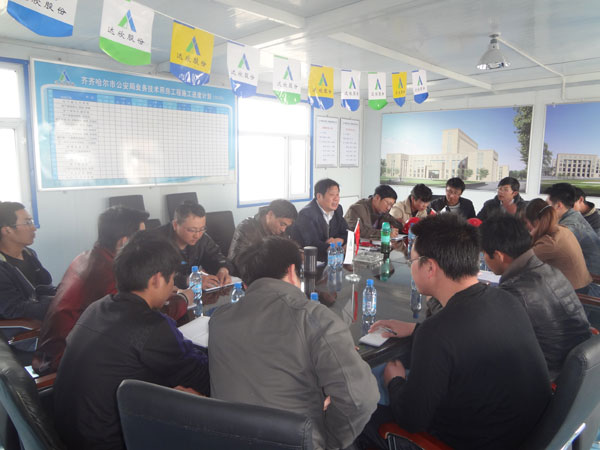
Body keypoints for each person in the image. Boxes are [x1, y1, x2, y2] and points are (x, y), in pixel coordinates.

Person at [367, 214, 551, 450]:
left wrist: (395, 381)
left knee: (362, 412)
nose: (411, 268)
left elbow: (411, 419)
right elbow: (468, 339)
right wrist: (415, 329)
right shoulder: (506, 299)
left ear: (430, 267)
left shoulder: (437, 332)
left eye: (412, 261)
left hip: (468, 442)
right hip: (526, 434)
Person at [209, 236, 379, 450]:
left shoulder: (218, 320)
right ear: (292, 271)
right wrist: (330, 440)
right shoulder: (313, 317)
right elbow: (360, 399)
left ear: (246, 282)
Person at [53, 231, 210, 450]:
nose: (172, 286)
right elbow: (203, 378)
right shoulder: (151, 326)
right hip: (110, 441)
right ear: (156, 279)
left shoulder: (98, 307)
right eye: (172, 278)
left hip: (67, 434)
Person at [32, 206, 193, 376]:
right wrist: (182, 299)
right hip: (67, 363)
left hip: (61, 353)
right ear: (124, 242)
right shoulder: (110, 275)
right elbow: (143, 322)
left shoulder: (89, 257)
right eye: (141, 238)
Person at [480, 214, 591, 379]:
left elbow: (491, 342)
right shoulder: (550, 270)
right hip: (578, 370)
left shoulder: (514, 292)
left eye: (484, 253)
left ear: (498, 256)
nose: (484, 259)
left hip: (549, 378)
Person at [155, 202, 231, 289]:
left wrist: (223, 269)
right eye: (191, 230)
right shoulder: (157, 241)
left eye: (202, 229)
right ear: (175, 225)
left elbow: (217, 256)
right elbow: (156, 275)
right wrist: (189, 281)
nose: (197, 235)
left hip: (192, 292)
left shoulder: (202, 239)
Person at [524, 198, 594, 293]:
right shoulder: (562, 229)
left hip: (574, 293)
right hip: (581, 284)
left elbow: (522, 262)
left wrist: (531, 233)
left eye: (526, 223)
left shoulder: (550, 242)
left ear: (535, 222)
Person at [0, 201, 55, 320]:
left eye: (32, 222)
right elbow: (13, 309)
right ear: (7, 230)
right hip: (20, 328)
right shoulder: (2, 267)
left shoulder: (29, 253)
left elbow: (42, 287)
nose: (34, 228)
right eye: (27, 223)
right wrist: (57, 303)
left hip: (42, 320)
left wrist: (65, 291)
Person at [228, 199, 297, 275]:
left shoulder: (279, 231)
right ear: (270, 214)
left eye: (286, 226)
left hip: (270, 274)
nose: (283, 229)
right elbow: (237, 261)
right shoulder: (247, 228)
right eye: (282, 224)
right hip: (248, 276)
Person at [545, 182, 600, 275]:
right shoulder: (572, 216)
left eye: (548, 205)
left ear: (558, 205)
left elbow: (547, 251)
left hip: (591, 278)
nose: (545, 209)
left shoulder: (569, 226)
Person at [290, 179, 348, 261]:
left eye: (337, 195)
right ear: (319, 196)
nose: (336, 199)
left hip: (332, 258)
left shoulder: (338, 210)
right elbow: (312, 243)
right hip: (311, 259)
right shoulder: (306, 214)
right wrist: (333, 246)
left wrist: (340, 240)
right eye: (332, 195)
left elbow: (347, 232)